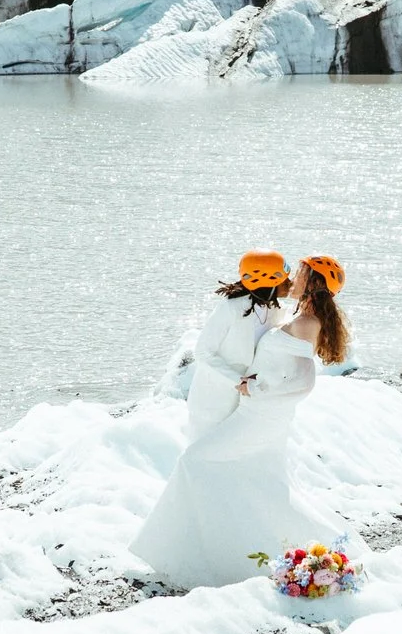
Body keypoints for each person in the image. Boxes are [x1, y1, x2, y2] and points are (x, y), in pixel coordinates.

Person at [132, 255, 352, 589]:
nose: (293, 276)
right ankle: (222, 547)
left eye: (302, 272)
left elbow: (304, 381)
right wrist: (252, 385)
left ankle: (199, 555)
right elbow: (217, 351)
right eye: (291, 271)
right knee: (250, 479)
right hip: (252, 410)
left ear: (316, 283)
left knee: (196, 462)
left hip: (261, 414)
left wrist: (256, 387)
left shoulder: (306, 321)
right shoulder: (290, 312)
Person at [184, 251, 289, 441]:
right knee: (202, 456)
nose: (290, 284)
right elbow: (203, 352)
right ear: (268, 281)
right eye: (285, 279)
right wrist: (239, 381)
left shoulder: (276, 310)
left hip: (246, 403)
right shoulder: (230, 308)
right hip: (213, 400)